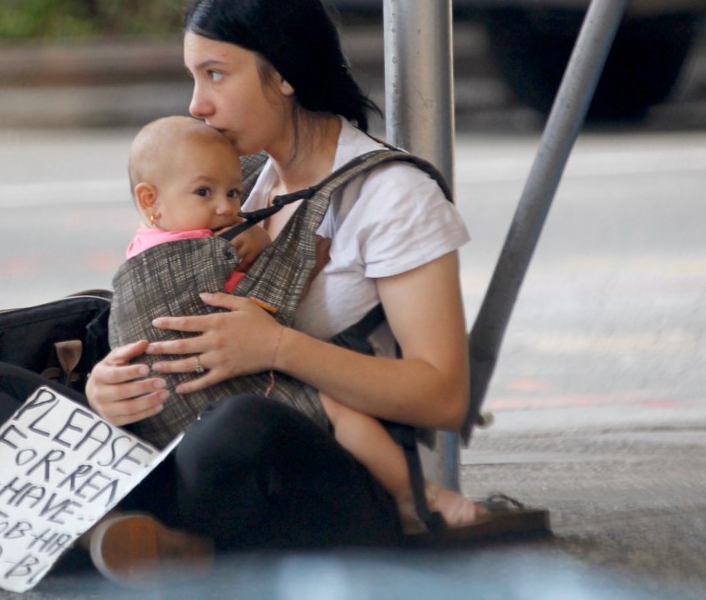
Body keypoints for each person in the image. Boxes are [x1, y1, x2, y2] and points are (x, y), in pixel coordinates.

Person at [0, 0, 476, 587]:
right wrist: (110, 390)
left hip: (302, 468)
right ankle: (136, 538)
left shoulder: (390, 195)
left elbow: (442, 395)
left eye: (215, 74)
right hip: (177, 447)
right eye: (194, 78)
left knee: (239, 426)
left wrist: (277, 347)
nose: (197, 105)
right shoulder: (237, 178)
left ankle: (82, 530)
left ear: (285, 73)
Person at [116, 113, 482, 535]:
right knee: (339, 410)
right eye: (204, 192)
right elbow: (256, 307)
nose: (227, 207)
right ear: (150, 201)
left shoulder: (146, 243)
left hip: (169, 424)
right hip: (211, 397)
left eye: (233, 192)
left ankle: (136, 535)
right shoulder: (200, 252)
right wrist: (298, 256)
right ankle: (411, 494)